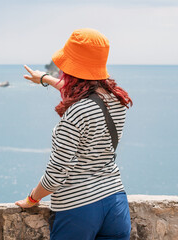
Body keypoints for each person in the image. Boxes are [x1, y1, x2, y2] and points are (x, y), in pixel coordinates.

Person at [15, 28, 133, 240]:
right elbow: (87, 94)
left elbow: (55, 175)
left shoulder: (76, 112)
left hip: (79, 210)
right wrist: (45, 79)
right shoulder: (117, 100)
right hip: (116, 204)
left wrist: (31, 199)